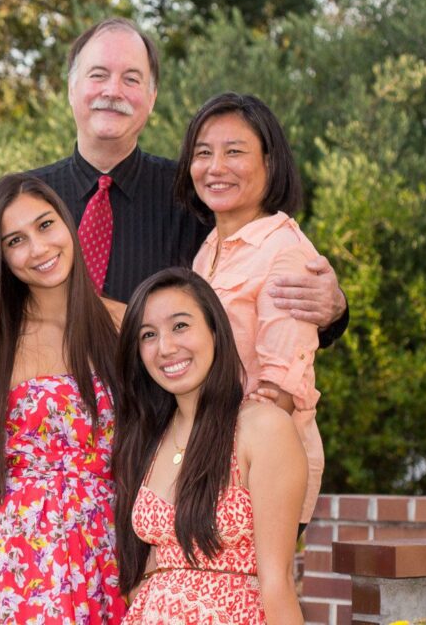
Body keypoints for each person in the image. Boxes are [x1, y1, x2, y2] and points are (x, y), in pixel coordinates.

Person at [0, 17, 349, 352]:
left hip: (161, 441)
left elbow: (258, 290)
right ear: (72, 89)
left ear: (151, 96)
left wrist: (333, 311)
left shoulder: (194, 197)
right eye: (98, 75)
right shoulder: (19, 199)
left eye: (131, 79)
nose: (113, 91)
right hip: (43, 441)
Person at [0, 173, 127, 624]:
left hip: (117, 557)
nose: (39, 248)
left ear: (68, 225)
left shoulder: (125, 325)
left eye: (46, 225)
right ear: (2, 257)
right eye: (16, 240)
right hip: (24, 570)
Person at [114, 267, 305, 624]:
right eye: (148, 335)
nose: (166, 347)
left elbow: (277, 583)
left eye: (181, 326)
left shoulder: (261, 428)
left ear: (215, 331)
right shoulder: (148, 437)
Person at [174, 92, 325, 532]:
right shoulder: (207, 251)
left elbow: (276, 393)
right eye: (203, 153)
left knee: (261, 599)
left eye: (234, 151)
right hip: (207, 468)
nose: (215, 167)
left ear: (270, 163)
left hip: (256, 476)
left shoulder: (285, 252)